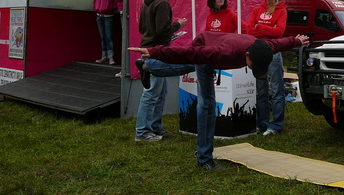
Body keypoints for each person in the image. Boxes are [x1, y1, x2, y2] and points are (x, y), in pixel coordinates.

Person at [129, 31, 310, 170]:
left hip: (215, 43)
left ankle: (148, 67)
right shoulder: (221, 54)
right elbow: (186, 53)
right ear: (247, 54)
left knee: (186, 67)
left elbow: (278, 43)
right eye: (253, 66)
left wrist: (296, 40)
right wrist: (154, 52)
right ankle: (204, 159)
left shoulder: (263, 47)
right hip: (205, 46)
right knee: (207, 104)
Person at [134, 0, 192, 142]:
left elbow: (141, 27)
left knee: (160, 92)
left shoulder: (147, 2)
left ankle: (156, 127)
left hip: (149, 48)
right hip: (156, 52)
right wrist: (178, 25)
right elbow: (162, 30)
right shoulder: (162, 3)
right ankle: (143, 132)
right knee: (152, 93)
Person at [246, 0, 287, 136]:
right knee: (261, 90)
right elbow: (249, 30)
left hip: (273, 53)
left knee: (277, 90)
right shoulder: (257, 10)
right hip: (258, 53)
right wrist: (267, 30)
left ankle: (276, 125)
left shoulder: (281, 11)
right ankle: (262, 124)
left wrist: (260, 27)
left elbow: (279, 32)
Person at [93, 0, 118, 64]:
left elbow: (117, 3)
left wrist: (108, 7)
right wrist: (96, 7)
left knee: (109, 36)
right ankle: (104, 57)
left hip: (108, 16)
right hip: (99, 15)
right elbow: (95, 1)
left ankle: (111, 57)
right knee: (103, 37)